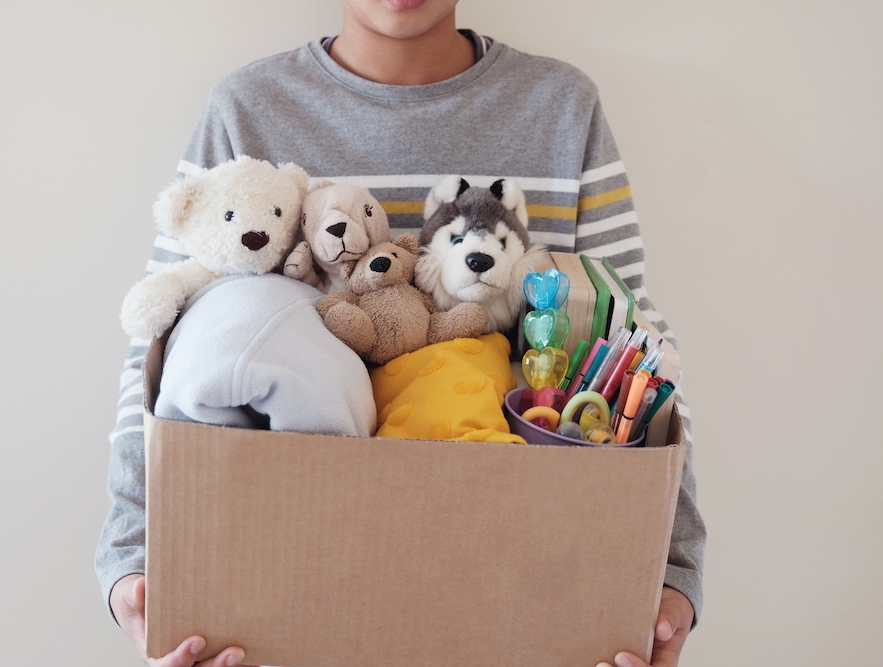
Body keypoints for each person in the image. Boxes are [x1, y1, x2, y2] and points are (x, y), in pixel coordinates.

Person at [95, 1, 706, 665]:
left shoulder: (561, 111)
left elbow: (634, 339)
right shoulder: (247, 110)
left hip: (513, 597)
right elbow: (159, 338)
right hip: (294, 598)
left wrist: (670, 566)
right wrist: (133, 549)